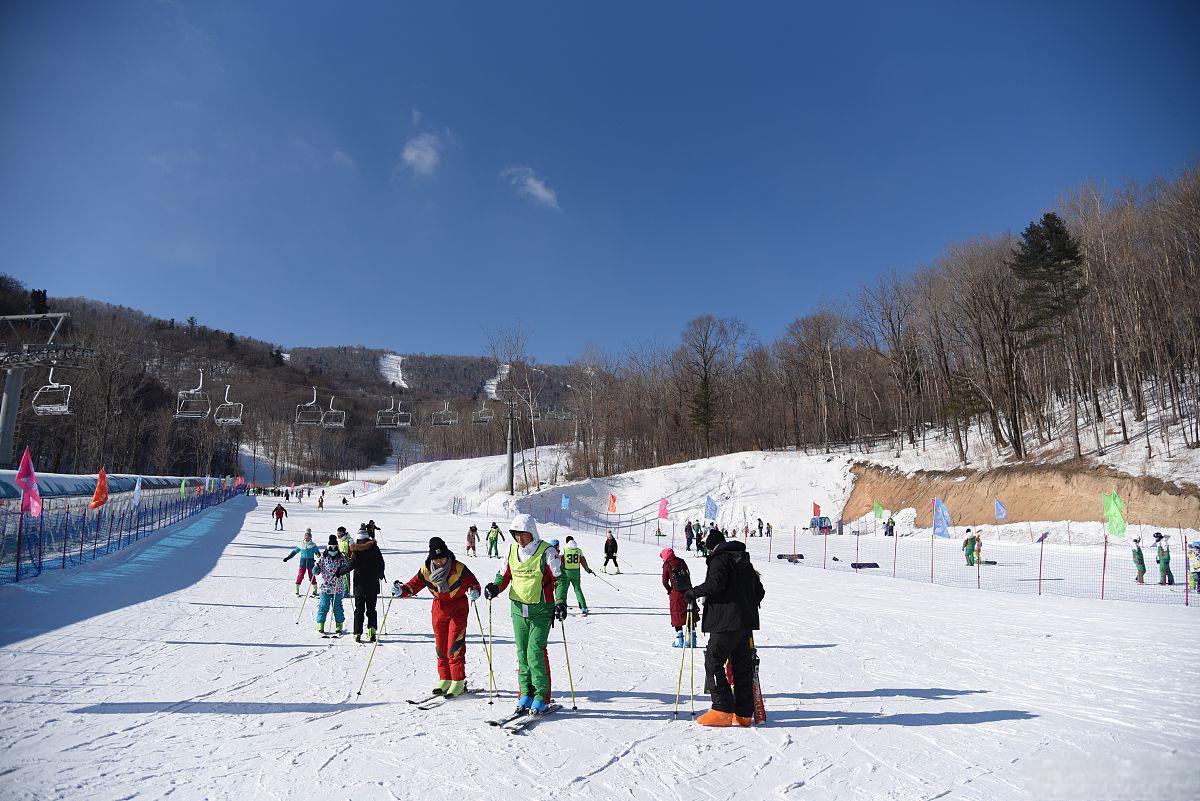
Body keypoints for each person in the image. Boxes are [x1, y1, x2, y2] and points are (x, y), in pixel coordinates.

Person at [482, 514, 565, 716]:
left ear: (532, 533)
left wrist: (560, 602)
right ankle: (526, 693)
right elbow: (504, 575)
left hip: (541, 610)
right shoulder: (511, 550)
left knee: (535, 652)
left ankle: (541, 696)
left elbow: (560, 579)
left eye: (523, 534)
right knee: (522, 653)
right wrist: (494, 587)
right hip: (518, 609)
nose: (520, 538)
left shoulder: (547, 551)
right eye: (516, 534)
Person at [684, 528, 765, 727]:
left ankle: (722, 709)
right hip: (745, 624)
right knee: (741, 666)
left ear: (712, 547)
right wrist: (743, 602)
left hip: (725, 623)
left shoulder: (720, 559)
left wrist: (692, 593)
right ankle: (744, 714)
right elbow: (759, 592)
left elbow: (714, 585)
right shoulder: (745, 562)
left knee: (713, 662)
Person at [394, 537, 481, 695]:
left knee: (455, 645)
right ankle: (445, 678)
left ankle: (458, 680)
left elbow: (473, 583)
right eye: (436, 558)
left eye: (442, 557)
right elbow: (413, 585)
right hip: (439, 610)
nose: (440, 561)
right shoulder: (426, 570)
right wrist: (402, 591)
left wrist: (474, 591)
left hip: (458, 609)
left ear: (447, 555)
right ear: (431, 558)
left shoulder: (458, 568)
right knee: (441, 646)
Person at [338, 527, 386, 643]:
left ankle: (358, 633)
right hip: (373, 584)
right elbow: (381, 562)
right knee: (371, 609)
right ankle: (372, 631)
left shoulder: (356, 550)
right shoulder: (375, 548)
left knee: (359, 609)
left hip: (359, 585)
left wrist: (340, 572)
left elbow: (351, 565)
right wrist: (380, 574)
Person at [313, 535, 349, 636]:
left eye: (334, 549)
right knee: (323, 606)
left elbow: (347, 568)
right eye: (330, 549)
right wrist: (315, 569)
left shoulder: (342, 558)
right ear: (327, 548)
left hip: (337, 587)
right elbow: (317, 569)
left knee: (337, 607)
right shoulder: (323, 558)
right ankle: (320, 625)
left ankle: (339, 625)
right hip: (325, 588)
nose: (333, 551)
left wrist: (343, 570)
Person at [661, 548, 698, 648]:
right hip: (688, 591)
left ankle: (679, 640)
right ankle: (692, 640)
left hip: (676, 593)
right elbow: (688, 575)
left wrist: (670, 590)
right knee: (689, 614)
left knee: (677, 615)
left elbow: (664, 581)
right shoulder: (681, 561)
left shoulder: (667, 565)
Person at [560, 536, 594, 615]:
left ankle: (563, 608)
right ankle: (584, 607)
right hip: (576, 573)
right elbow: (583, 561)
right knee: (578, 590)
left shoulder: (564, 550)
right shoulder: (579, 551)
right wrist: (587, 570)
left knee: (564, 591)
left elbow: (559, 561)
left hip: (566, 573)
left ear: (567, 542)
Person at [282, 529, 320, 596]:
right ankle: (297, 589)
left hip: (310, 563)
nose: (306, 539)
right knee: (300, 575)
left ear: (310, 537)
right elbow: (294, 552)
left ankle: (315, 590)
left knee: (312, 576)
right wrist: (288, 557)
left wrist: (318, 554)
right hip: (302, 563)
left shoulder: (313, 545)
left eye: (308, 537)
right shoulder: (301, 544)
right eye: (305, 537)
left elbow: (317, 552)